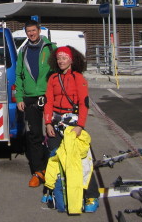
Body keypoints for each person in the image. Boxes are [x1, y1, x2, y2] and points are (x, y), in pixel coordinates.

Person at [42, 45, 99, 213]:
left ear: (71, 60)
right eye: (59, 58)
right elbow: (48, 102)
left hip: (73, 124)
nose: (61, 61)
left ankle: (91, 195)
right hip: (55, 122)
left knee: (81, 161)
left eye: (64, 58)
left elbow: (84, 103)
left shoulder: (79, 78)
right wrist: (48, 123)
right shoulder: (52, 78)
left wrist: (80, 126)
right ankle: (53, 191)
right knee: (54, 158)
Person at [15, 20, 57, 187]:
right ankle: (38, 171)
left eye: (33, 30)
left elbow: (57, 72)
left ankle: (53, 169)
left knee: (53, 133)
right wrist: (19, 98)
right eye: (28, 31)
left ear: (39, 30)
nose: (31, 34)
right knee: (34, 136)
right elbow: (19, 75)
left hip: (48, 96)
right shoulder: (23, 50)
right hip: (30, 97)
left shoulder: (50, 48)